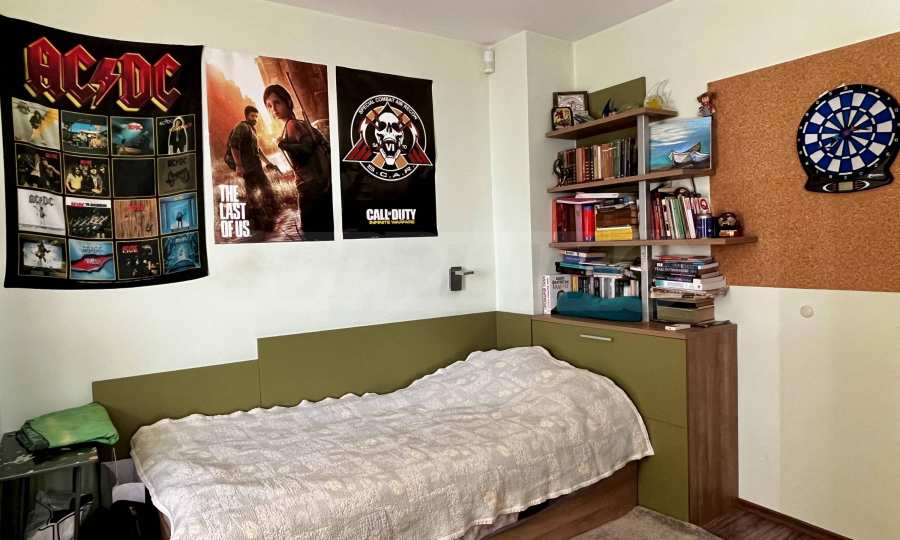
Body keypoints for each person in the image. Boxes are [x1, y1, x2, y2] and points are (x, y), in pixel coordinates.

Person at [263, 84, 333, 241]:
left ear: (288, 102)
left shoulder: (292, 125)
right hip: (316, 185)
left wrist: (283, 144)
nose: (273, 109)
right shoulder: (297, 123)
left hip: (309, 188)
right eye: (269, 106)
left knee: (311, 234)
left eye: (277, 102)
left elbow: (307, 148)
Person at [228, 105, 279, 232]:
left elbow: (258, 150)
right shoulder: (242, 127)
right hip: (248, 169)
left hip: (257, 168)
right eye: (252, 116)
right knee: (254, 196)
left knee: (265, 191)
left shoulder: (252, 129)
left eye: (256, 116)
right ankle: (257, 224)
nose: (255, 118)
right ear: (247, 116)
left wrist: (268, 163)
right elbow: (233, 146)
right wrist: (239, 166)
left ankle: (267, 220)